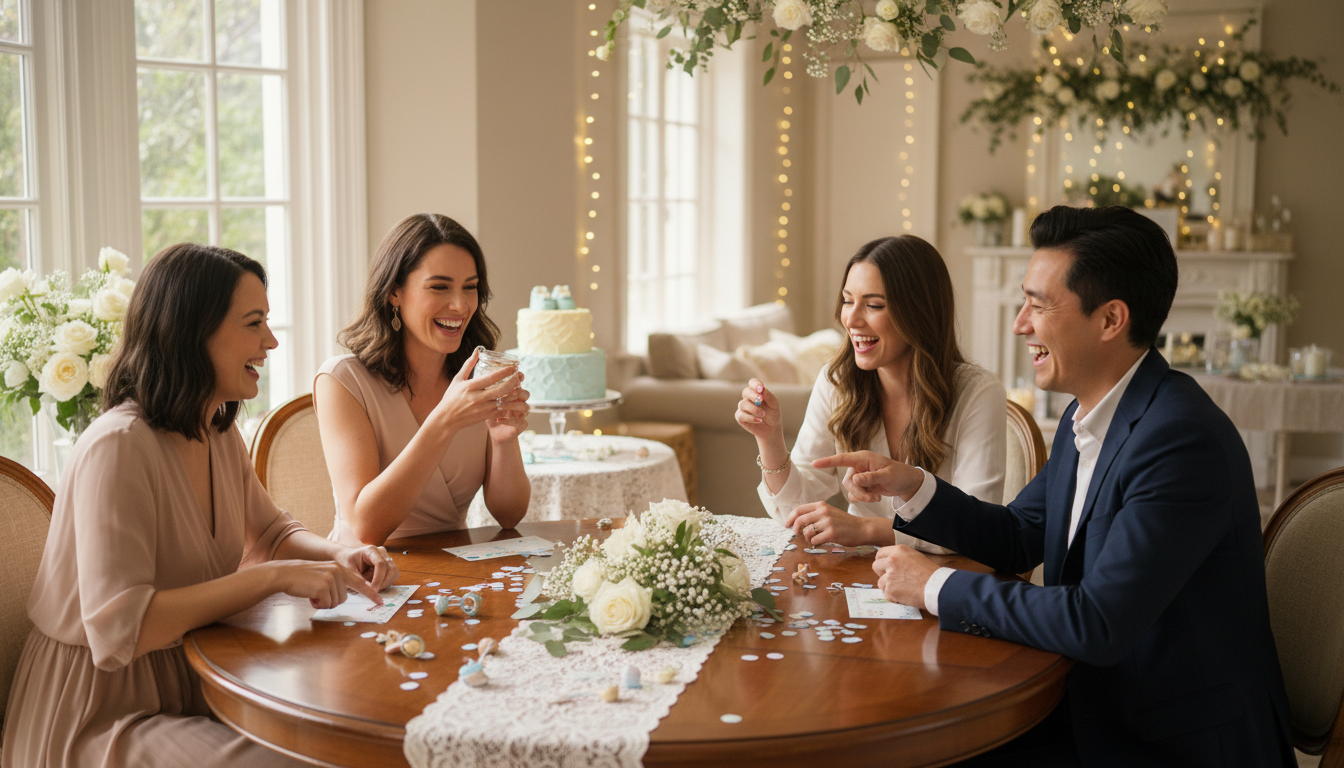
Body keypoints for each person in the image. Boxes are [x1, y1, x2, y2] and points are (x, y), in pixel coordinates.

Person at [816, 206, 1294, 766]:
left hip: (1166, 739)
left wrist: (934, 585)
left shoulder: (1180, 441)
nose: (1020, 324)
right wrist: (916, 485)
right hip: (1093, 702)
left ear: (1110, 319)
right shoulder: (1088, 414)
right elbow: (1021, 532)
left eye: (1038, 306)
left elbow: (1097, 622)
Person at [2, 244, 399, 768]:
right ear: (192, 332)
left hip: (193, 679)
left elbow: (271, 535)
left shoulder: (216, 428)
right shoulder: (116, 447)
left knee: (336, 743)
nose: (271, 341)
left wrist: (336, 556)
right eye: (254, 323)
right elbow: (120, 631)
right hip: (98, 715)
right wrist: (275, 577)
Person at [736, 235, 1005, 552]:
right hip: (860, 578)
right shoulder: (836, 381)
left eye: (874, 305)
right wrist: (770, 440)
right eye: (848, 300)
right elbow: (796, 511)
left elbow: (976, 532)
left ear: (919, 313)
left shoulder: (978, 393)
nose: (851, 319)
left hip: (941, 585)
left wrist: (868, 529)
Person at [315, 213, 530, 546]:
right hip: (368, 576)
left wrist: (503, 442)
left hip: (457, 573)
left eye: (470, 288)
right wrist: (443, 421)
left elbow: (509, 515)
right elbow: (367, 528)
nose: (460, 305)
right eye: (439, 287)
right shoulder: (342, 381)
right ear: (393, 292)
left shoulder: (478, 377)